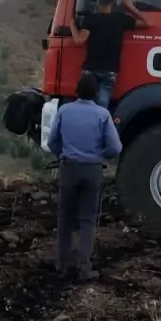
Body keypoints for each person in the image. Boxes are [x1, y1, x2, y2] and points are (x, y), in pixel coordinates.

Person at [46, 72, 122, 280]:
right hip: (93, 170)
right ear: (96, 94)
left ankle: (62, 264)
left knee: (65, 217)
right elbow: (115, 147)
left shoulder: (65, 111)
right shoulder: (103, 114)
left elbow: (52, 141)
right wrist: (99, 155)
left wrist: (62, 153)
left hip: (69, 168)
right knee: (88, 219)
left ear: (76, 91)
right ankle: (84, 267)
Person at [68, 0, 151, 109]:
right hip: (110, 70)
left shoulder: (91, 19)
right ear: (113, 1)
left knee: (84, 104)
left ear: (97, 1)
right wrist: (130, 7)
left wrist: (72, 26)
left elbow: (79, 40)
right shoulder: (120, 19)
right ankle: (100, 125)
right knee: (103, 105)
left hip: (91, 68)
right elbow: (147, 23)